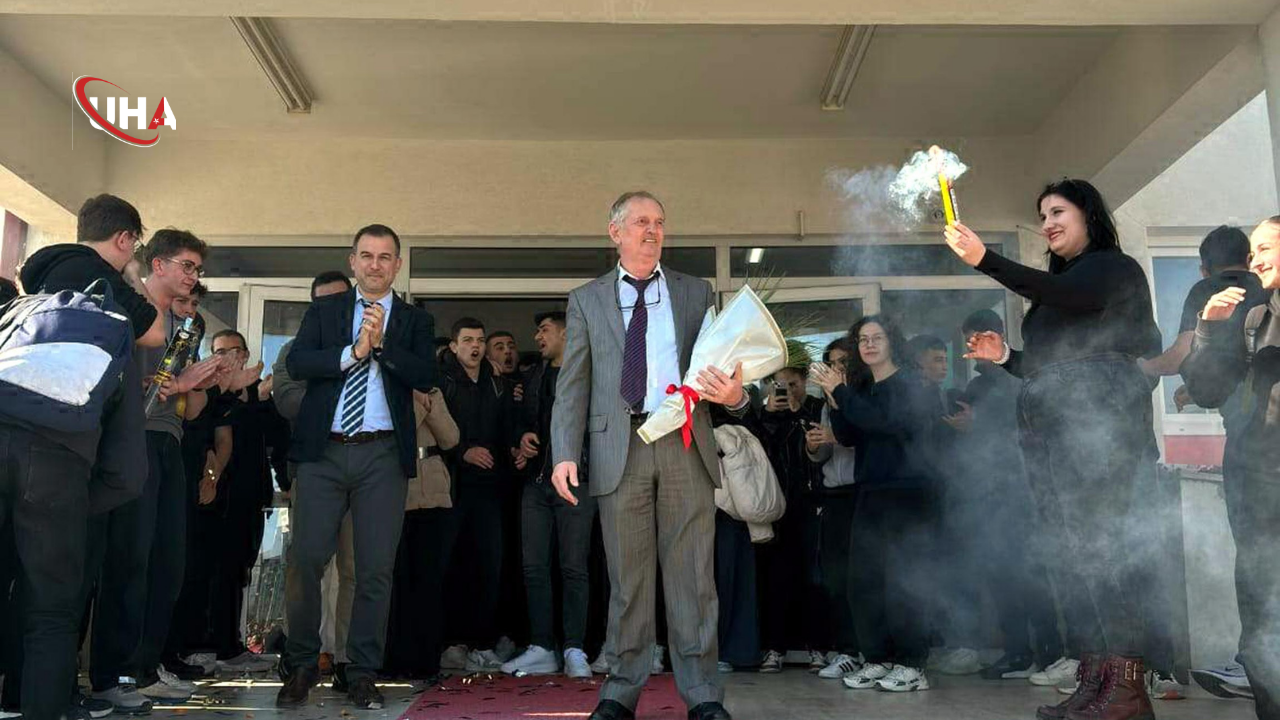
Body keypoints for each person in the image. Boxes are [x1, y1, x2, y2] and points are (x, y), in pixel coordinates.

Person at [943, 178, 1162, 720]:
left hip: (1101, 433)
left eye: (1058, 212)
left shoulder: (1112, 268)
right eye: (1042, 216)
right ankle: (1097, 681)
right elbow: (1048, 366)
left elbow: (1069, 299)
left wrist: (985, 260)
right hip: (1054, 436)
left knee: (1105, 553)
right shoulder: (1062, 289)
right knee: (1074, 556)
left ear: (1089, 215)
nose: (1048, 224)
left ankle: (1127, 691)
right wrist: (1005, 358)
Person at [550, 191, 748, 720]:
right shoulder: (586, 299)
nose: (652, 230)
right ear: (615, 232)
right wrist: (564, 452)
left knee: (693, 579)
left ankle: (703, 694)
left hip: (684, 441)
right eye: (641, 221)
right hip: (620, 446)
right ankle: (620, 691)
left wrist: (736, 396)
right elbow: (573, 385)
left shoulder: (694, 291)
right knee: (628, 580)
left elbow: (724, 364)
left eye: (659, 222)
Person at [1, 195, 151, 720]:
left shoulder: (16, 311)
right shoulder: (112, 324)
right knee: (50, 612)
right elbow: (128, 471)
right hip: (58, 470)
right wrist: (79, 504)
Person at [277, 224, 437, 710]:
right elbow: (299, 364)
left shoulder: (414, 320)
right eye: (366, 255)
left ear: (398, 265)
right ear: (352, 261)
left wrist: (382, 346)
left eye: (385, 257)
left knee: (374, 569)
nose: (375, 265)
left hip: (382, 455)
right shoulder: (325, 311)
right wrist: (354, 353)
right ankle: (302, 663)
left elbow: (426, 374)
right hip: (324, 451)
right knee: (306, 559)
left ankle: (361, 669)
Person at [90, 230, 223, 710]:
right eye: (187, 266)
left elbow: (186, 405)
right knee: (131, 561)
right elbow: (127, 389)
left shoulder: (182, 326)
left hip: (169, 443)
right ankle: (115, 673)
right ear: (158, 265)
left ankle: (145, 668)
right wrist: (177, 384)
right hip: (132, 442)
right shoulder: (131, 308)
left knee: (167, 563)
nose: (193, 276)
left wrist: (195, 383)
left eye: (197, 269)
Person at [1181, 217, 1280, 720]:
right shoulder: (1252, 318)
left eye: (1266, 248)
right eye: (1252, 250)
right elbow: (1205, 389)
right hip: (1257, 481)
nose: (1255, 260)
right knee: (1261, 604)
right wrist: (1208, 328)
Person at [810, 316, 940, 694]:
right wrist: (835, 397)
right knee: (864, 581)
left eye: (876, 337)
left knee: (903, 580)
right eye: (862, 339)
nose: (868, 344)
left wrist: (843, 392)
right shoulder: (863, 388)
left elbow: (884, 423)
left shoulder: (911, 383)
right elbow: (848, 435)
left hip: (907, 492)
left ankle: (912, 664)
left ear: (891, 341)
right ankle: (878, 657)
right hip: (870, 491)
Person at [952, 310, 1061, 682]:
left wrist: (977, 423)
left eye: (975, 338)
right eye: (967, 339)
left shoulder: (1020, 375)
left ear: (995, 335)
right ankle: (1017, 652)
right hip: (987, 494)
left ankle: (1048, 654)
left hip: (1022, 491)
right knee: (1000, 575)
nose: (971, 347)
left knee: (1030, 575)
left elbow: (1026, 426)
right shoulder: (976, 386)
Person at [271, 269, 357, 690]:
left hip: (365, 472)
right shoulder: (294, 350)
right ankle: (303, 656)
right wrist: (342, 394)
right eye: (323, 301)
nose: (332, 308)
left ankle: (347, 660)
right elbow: (288, 401)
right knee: (306, 566)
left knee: (355, 570)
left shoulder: (372, 345)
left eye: (340, 299)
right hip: (313, 467)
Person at [504, 311, 598, 678]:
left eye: (544, 330)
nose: (537, 337)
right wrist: (522, 438)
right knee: (533, 567)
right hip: (536, 482)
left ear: (565, 334)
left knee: (574, 567)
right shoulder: (532, 377)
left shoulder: (589, 375)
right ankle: (542, 647)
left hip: (577, 479)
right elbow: (519, 422)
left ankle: (575, 648)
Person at [438, 317, 521, 672]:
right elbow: (432, 431)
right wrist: (463, 452)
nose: (475, 346)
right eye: (468, 340)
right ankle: (449, 642)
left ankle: (482, 643)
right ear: (453, 346)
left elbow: (507, 426)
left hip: (490, 489)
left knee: (489, 564)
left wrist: (517, 446)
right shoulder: (442, 381)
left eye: (480, 340)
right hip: (452, 487)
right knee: (451, 564)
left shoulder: (496, 382)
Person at [382, 385, 459, 681]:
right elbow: (399, 431)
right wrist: (416, 402)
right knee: (398, 580)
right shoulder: (390, 392)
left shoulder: (434, 392)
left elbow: (451, 438)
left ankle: (427, 659)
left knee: (429, 580)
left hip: (434, 492)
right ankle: (396, 658)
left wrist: (431, 403)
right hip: (399, 492)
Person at [753, 365, 824, 673]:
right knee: (775, 579)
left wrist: (798, 412)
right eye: (780, 385)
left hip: (810, 501)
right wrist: (770, 415)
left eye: (793, 384)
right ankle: (775, 647)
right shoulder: (767, 414)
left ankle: (818, 646)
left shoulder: (817, 408)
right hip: (776, 503)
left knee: (814, 578)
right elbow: (759, 450)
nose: (787, 391)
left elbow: (819, 446)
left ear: (805, 381)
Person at [806, 338, 862, 682]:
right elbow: (821, 456)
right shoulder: (823, 403)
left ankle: (868, 650)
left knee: (862, 578)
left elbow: (863, 438)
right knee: (835, 578)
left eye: (843, 362)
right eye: (831, 363)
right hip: (833, 496)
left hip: (861, 494)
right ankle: (847, 650)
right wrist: (814, 446)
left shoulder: (861, 397)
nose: (836, 368)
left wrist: (835, 435)